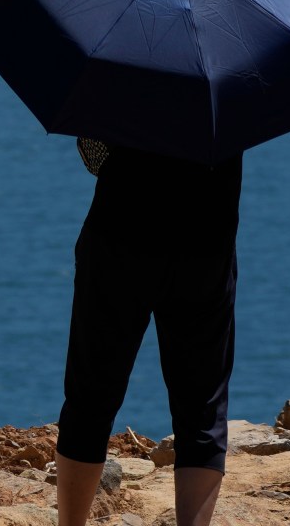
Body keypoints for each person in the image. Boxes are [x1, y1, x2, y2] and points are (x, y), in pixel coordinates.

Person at [53, 138, 240, 526]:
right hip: (205, 239)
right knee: (202, 408)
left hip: (119, 232)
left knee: (90, 396)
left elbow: (93, 155)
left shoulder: (126, 77)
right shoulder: (231, 83)